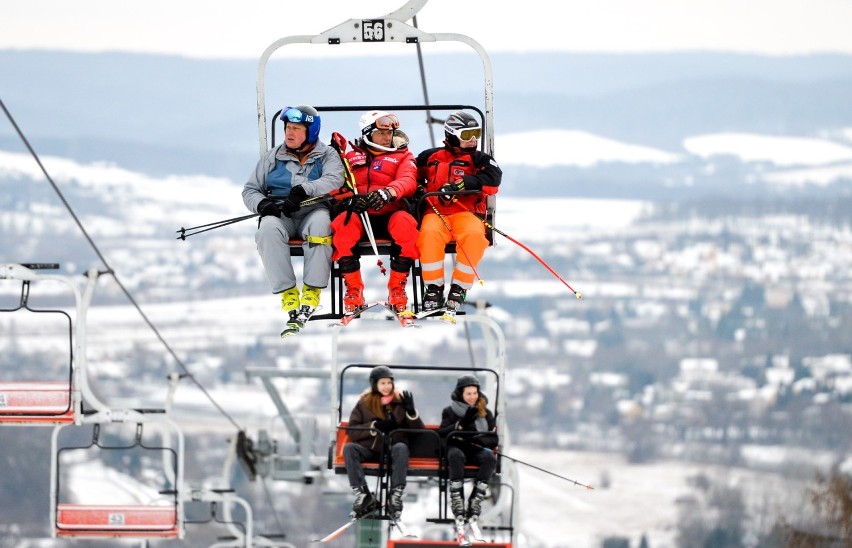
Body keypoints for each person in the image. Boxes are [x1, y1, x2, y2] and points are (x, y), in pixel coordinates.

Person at [242, 105, 344, 334]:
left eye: (296, 128)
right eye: (288, 127)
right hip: (281, 214)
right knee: (266, 230)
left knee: (321, 226)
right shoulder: (273, 157)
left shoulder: (327, 155)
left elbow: (335, 179)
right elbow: (250, 190)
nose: (290, 133)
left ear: (311, 131)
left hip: (313, 211)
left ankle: (312, 290)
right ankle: (288, 293)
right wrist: (262, 205)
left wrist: (305, 190)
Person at [330, 111, 419, 314]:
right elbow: (334, 184)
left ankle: (397, 288)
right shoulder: (349, 157)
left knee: (406, 226)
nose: (388, 138)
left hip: (391, 212)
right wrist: (348, 200)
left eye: (390, 133)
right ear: (368, 133)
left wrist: (388, 193)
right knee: (342, 226)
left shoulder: (403, 155)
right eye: (381, 133)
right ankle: (354, 289)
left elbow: (408, 179)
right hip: (359, 215)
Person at [415, 111, 502, 312]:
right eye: (466, 135)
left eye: (476, 134)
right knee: (428, 235)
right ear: (452, 135)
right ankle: (434, 288)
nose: (473, 140)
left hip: (467, 212)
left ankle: (459, 286)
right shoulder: (430, 157)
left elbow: (494, 178)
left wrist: (464, 184)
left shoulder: (480, 159)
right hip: (435, 212)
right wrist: (419, 187)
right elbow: (412, 174)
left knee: (474, 237)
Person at [343, 365, 424, 521]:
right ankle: (363, 493)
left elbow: (417, 431)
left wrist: (411, 412)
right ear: (375, 385)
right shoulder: (364, 404)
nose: (387, 387)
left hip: (393, 449)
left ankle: (396, 494)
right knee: (350, 448)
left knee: (401, 448)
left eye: (389, 383)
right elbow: (352, 430)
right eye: (383, 383)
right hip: (371, 450)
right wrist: (374, 427)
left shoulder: (400, 404)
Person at [438, 374, 498, 525]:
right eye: (468, 394)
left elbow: (493, 439)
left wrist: (477, 440)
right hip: (456, 450)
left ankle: (476, 498)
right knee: (455, 455)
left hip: (475, 450)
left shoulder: (485, 413)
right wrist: (461, 424)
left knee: (490, 457)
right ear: (461, 394)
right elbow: (443, 433)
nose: (472, 397)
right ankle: (457, 498)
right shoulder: (449, 412)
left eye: (475, 393)